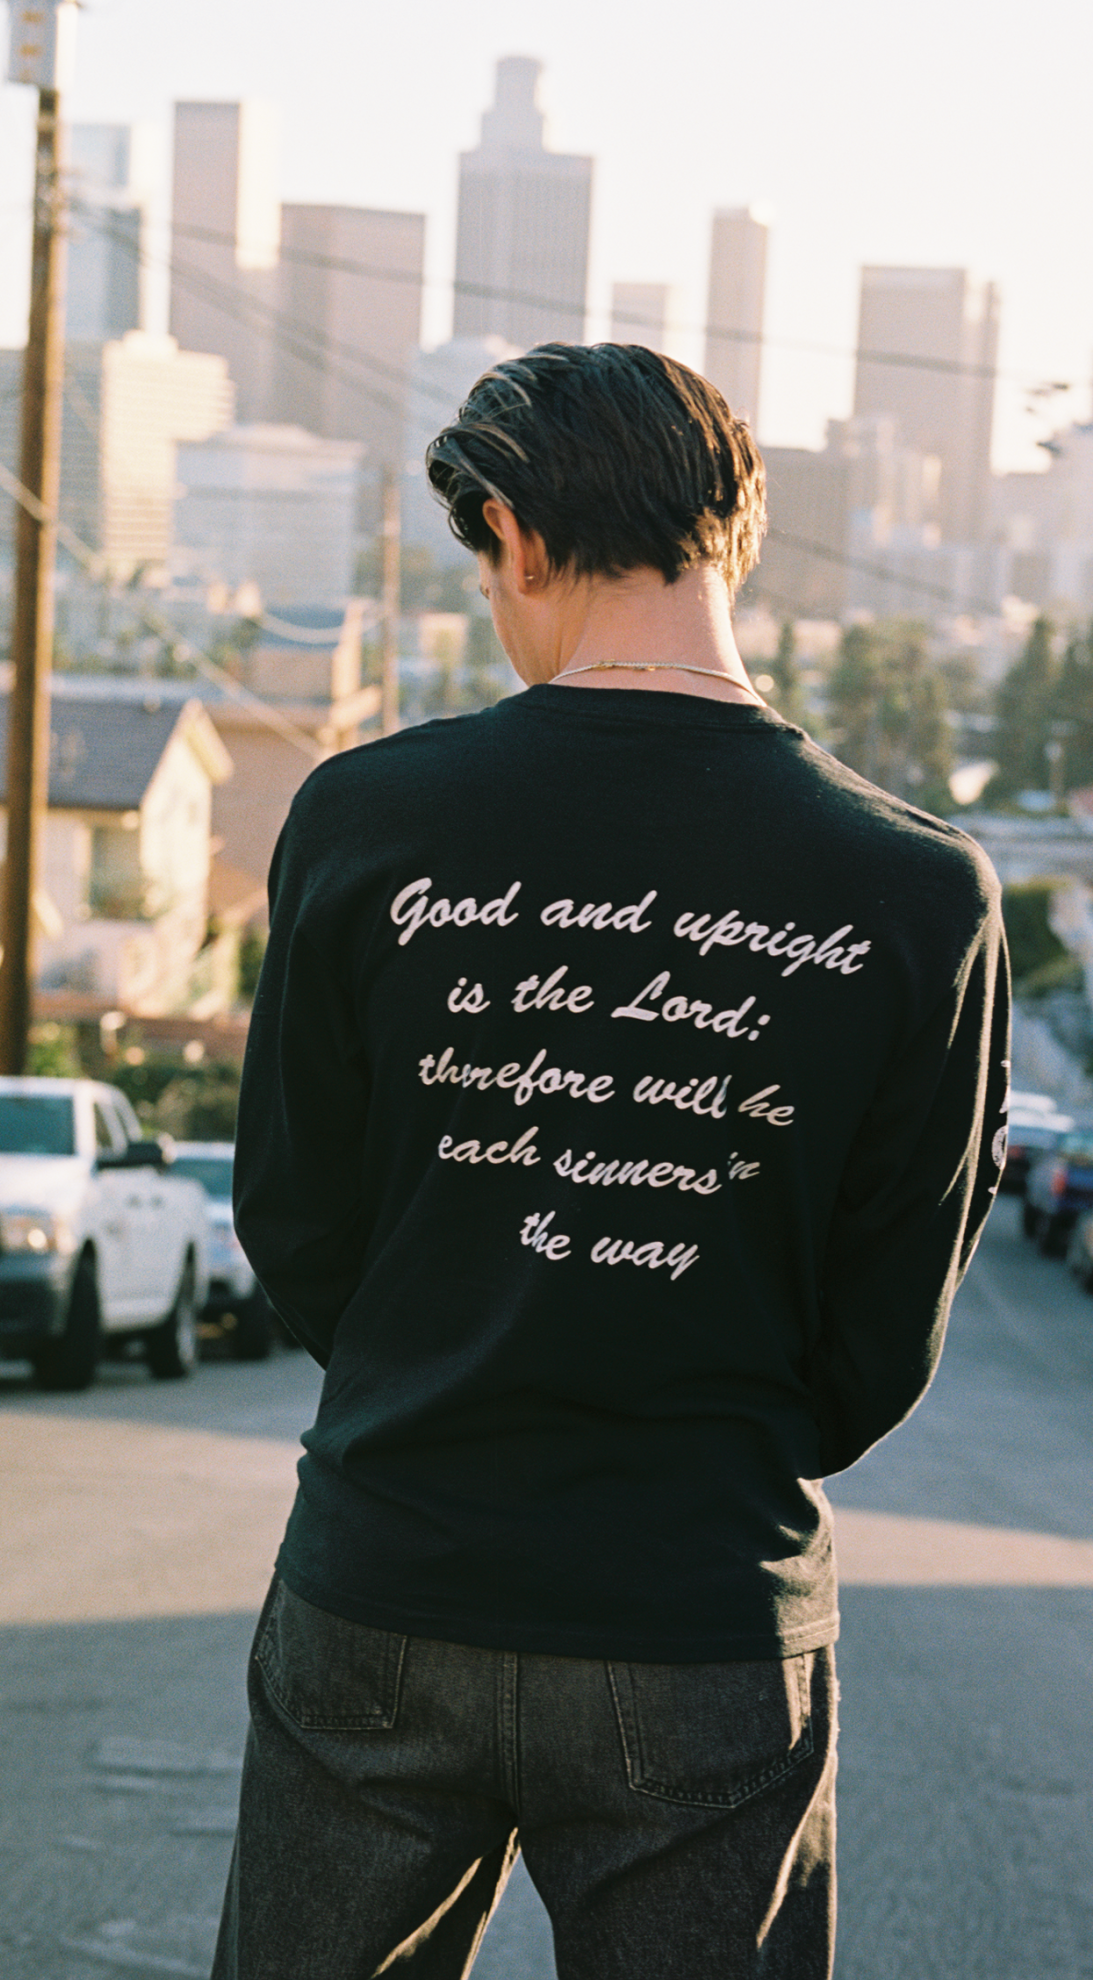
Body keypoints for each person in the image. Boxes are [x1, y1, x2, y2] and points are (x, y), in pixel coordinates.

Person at [215, 343, 1009, 1979]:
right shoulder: (921, 895)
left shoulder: (365, 819)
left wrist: (433, 1356)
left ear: (507, 532)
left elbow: (295, 1214)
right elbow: (878, 1336)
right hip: (703, 1610)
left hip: (389, 1568)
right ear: (739, 533)